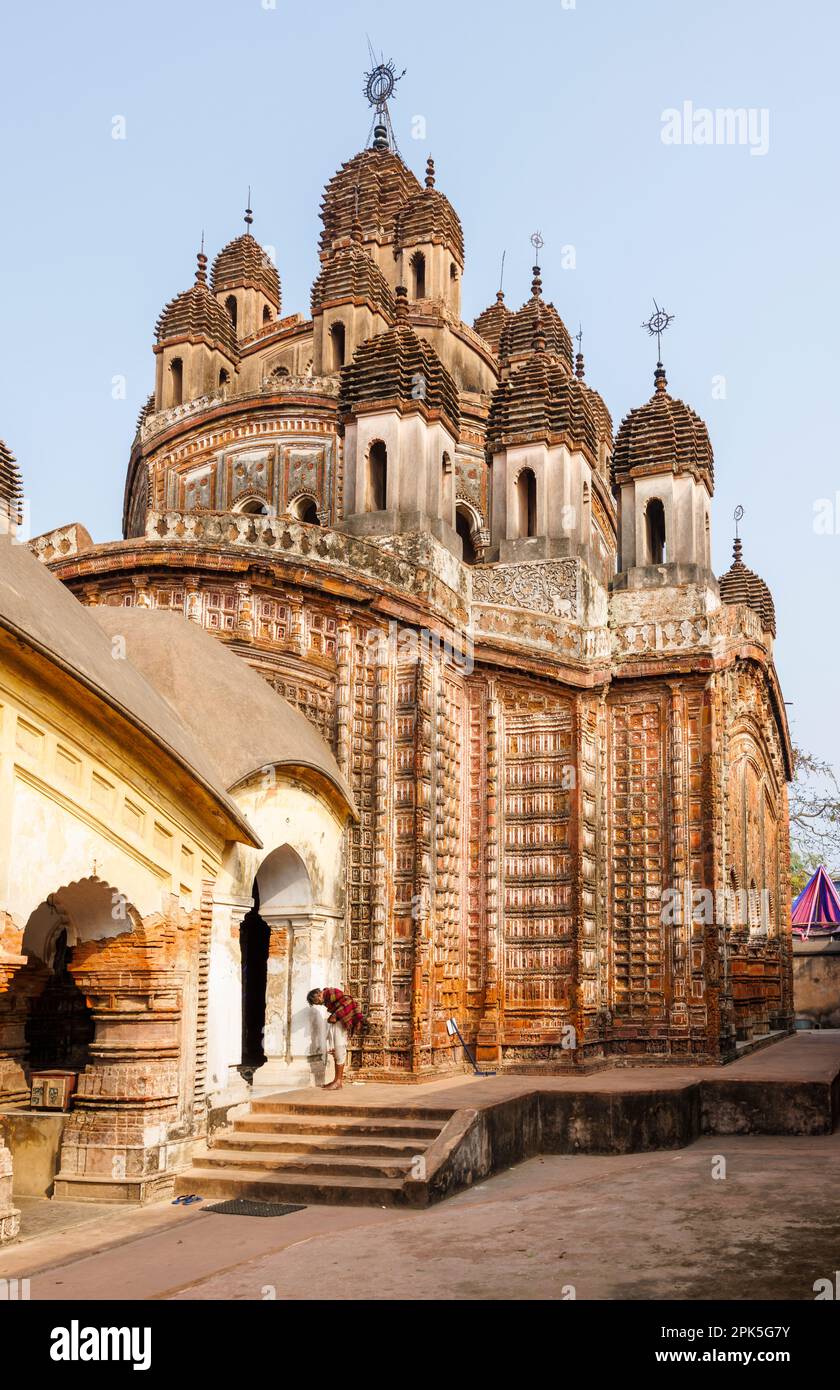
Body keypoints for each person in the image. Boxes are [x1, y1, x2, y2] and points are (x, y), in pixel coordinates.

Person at [306, 986, 364, 1089]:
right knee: (336, 1051)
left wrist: (336, 1015)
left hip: (341, 1023)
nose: (318, 1004)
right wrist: (334, 1016)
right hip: (338, 1022)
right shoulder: (329, 999)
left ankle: (338, 1081)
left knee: (339, 1049)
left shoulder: (331, 993)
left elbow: (348, 1000)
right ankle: (336, 1080)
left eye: (316, 1001)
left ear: (318, 995)